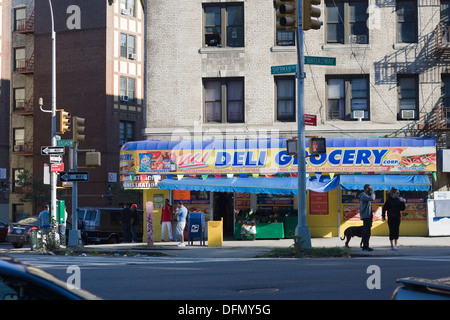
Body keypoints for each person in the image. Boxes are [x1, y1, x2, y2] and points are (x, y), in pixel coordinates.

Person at [360, 184, 376, 251]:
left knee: (368, 231)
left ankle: (366, 245)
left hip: (368, 215)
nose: (370, 190)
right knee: (366, 232)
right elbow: (372, 198)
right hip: (366, 216)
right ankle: (365, 246)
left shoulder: (366, 195)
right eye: (369, 189)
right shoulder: (363, 195)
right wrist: (372, 192)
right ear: (366, 189)